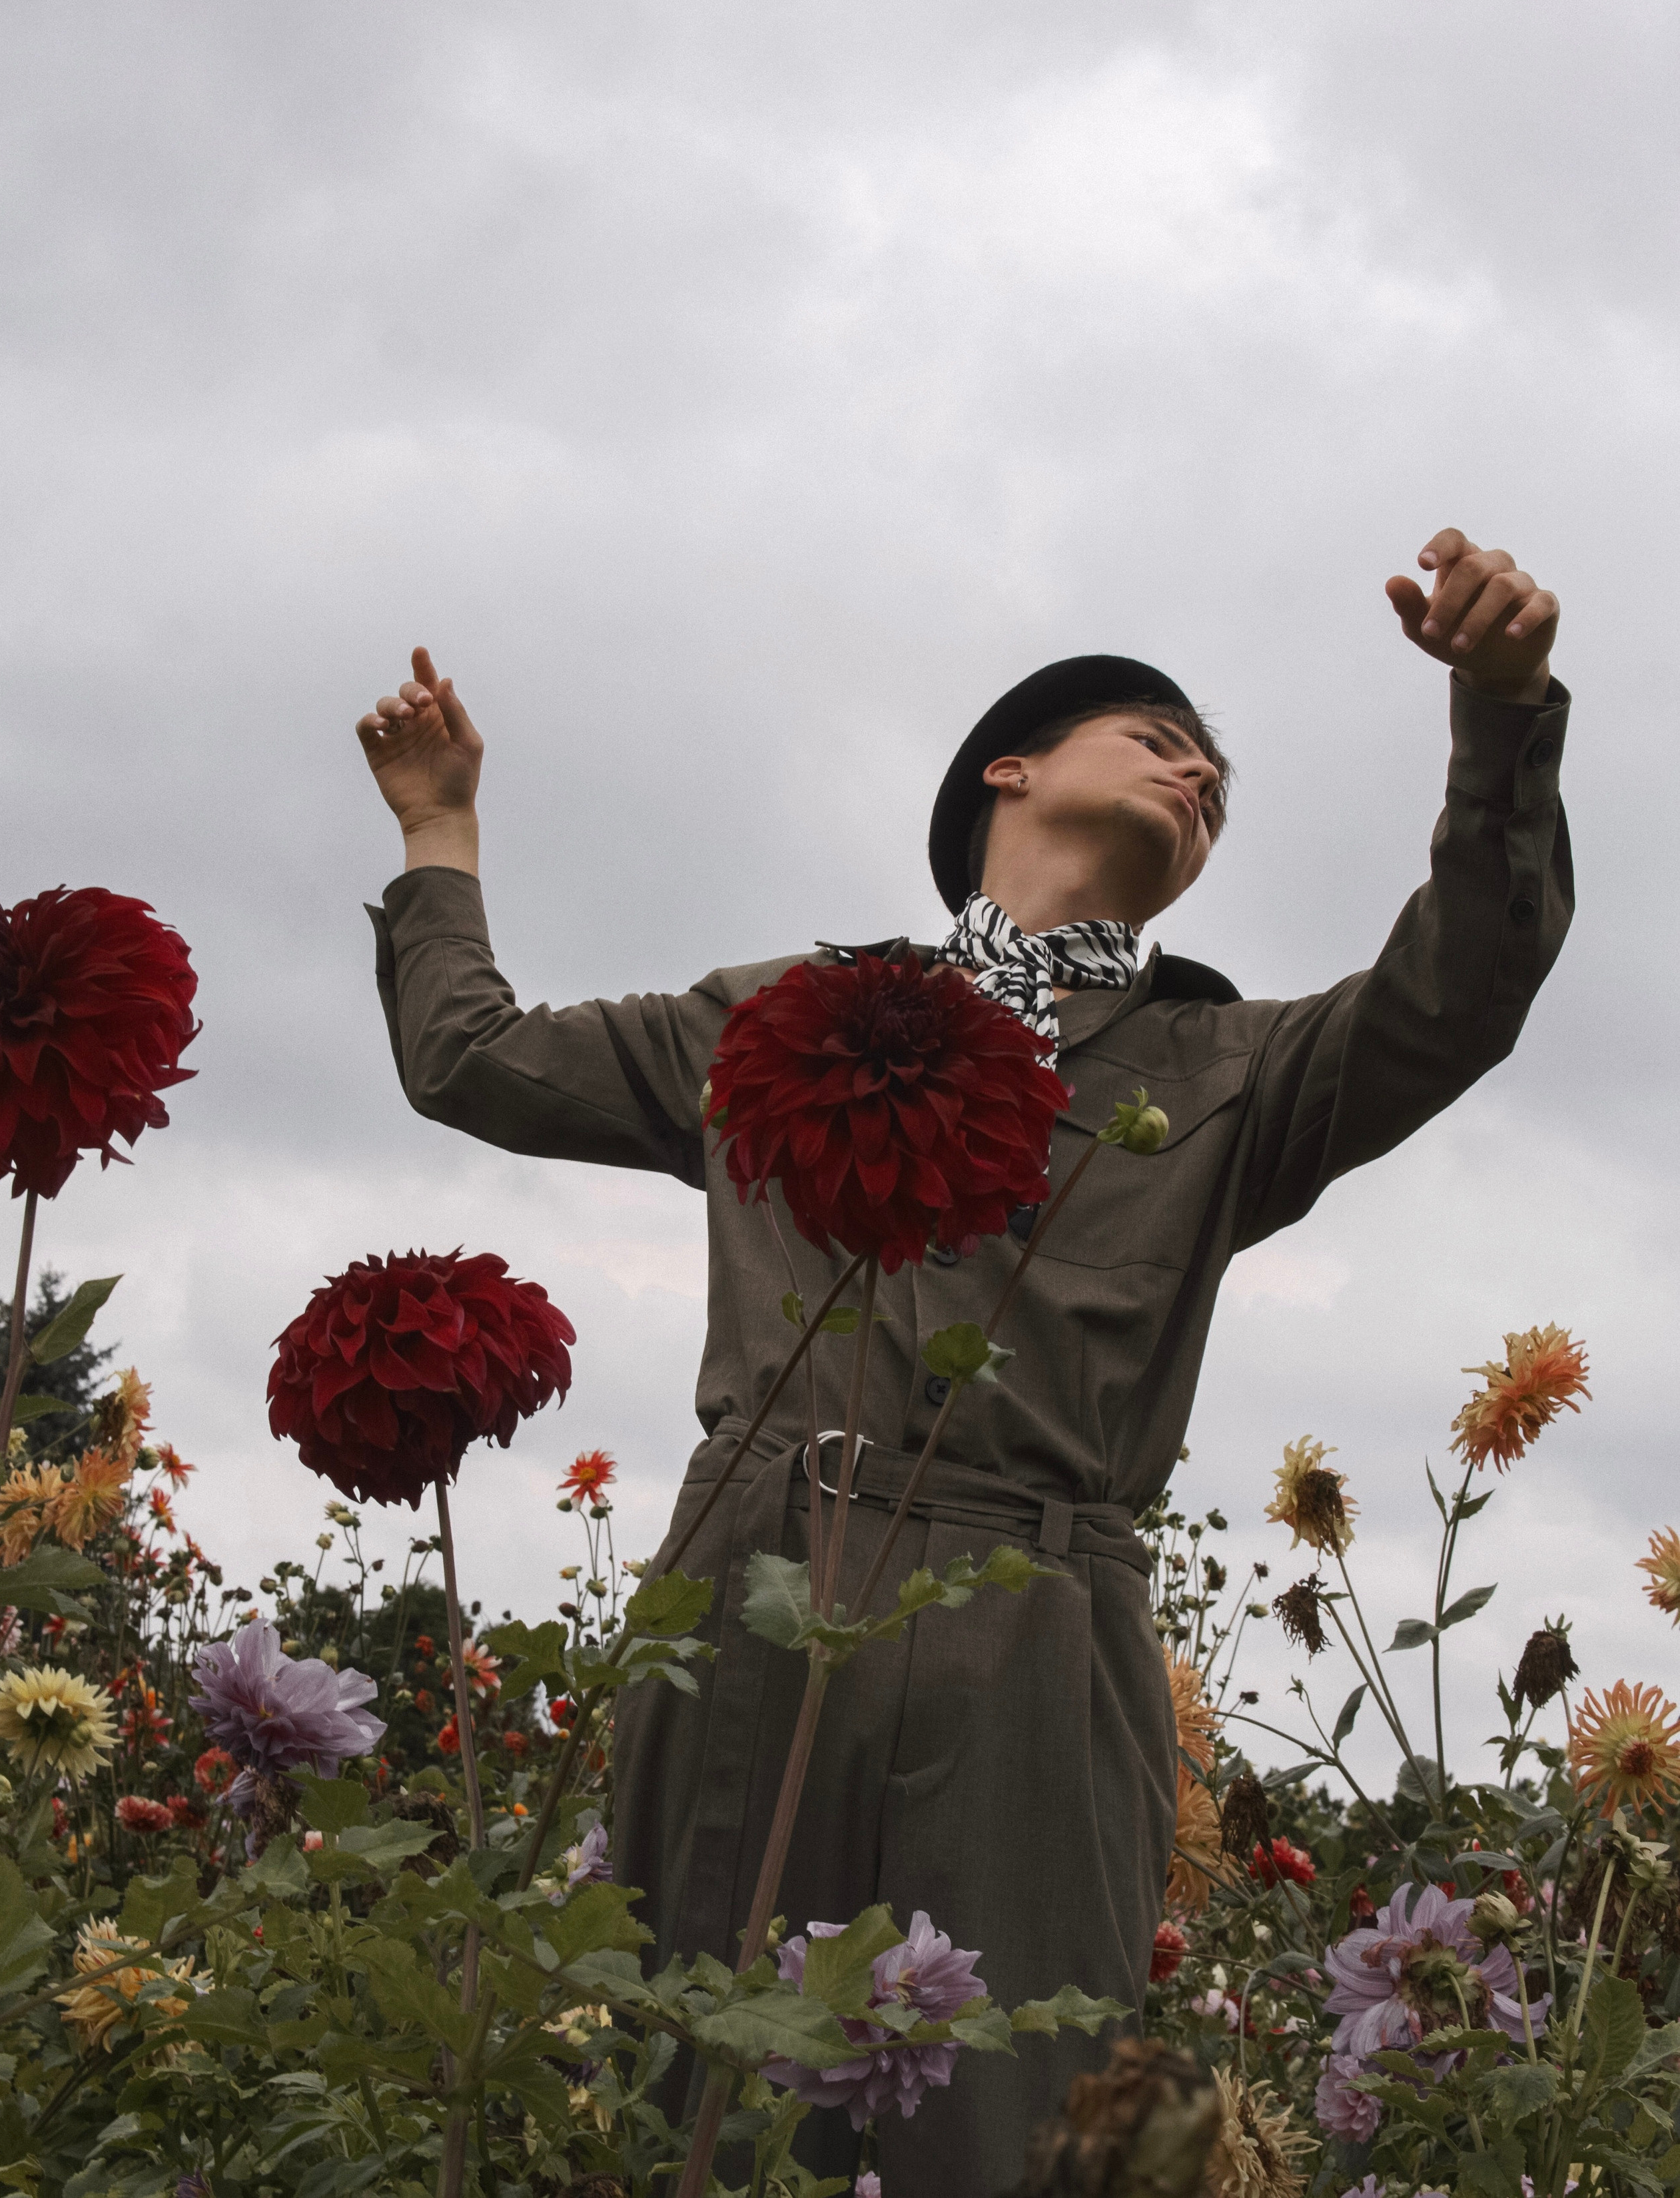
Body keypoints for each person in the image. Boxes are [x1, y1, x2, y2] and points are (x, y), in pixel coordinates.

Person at [356, 528, 1570, 2195]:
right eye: (1155, 735)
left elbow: (1465, 988)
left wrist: (1499, 713)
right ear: (1012, 768)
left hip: (1042, 1631)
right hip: (758, 1579)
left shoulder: (1236, 1071)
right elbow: (472, 1061)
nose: (1197, 770)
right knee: (695, 2100)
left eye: (1215, 780)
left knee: (1007, 2134)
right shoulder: (778, 1018)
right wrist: (439, 830)